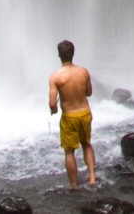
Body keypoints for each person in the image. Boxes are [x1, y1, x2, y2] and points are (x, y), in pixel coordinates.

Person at [48, 38, 96, 188]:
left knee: (69, 152)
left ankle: (73, 184)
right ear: (73, 54)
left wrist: (54, 109)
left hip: (69, 117)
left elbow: (52, 103)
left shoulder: (55, 77)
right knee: (87, 144)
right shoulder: (83, 72)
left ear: (59, 55)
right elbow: (89, 93)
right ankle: (92, 178)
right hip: (85, 113)